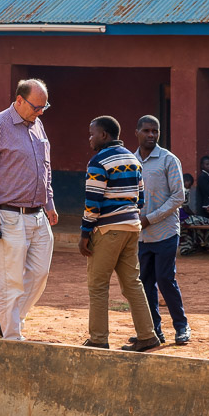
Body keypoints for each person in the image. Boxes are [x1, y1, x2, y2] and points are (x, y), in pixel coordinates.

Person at [0, 78, 59, 341]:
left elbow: (45, 168)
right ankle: (11, 338)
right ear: (19, 100)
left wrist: (49, 202)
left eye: (44, 107)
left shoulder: (38, 125)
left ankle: (8, 324)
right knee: (11, 281)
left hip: (38, 214)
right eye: (36, 106)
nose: (40, 112)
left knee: (40, 273)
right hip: (8, 215)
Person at [79, 115, 161, 351]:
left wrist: (85, 234)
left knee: (98, 286)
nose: (90, 138)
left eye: (92, 134)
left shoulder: (98, 161)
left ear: (104, 135)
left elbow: (92, 203)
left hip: (108, 230)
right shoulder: (134, 160)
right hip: (132, 228)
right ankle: (147, 335)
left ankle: (98, 339)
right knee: (132, 283)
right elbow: (140, 199)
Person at [133, 115, 190, 346]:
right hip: (141, 235)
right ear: (137, 132)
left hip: (165, 231)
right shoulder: (131, 161)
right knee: (145, 283)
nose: (151, 135)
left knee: (165, 279)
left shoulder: (168, 159)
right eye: (146, 131)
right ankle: (153, 331)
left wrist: (150, 218)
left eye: (155, 131)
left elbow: (178, 196)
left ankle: (181, 326)